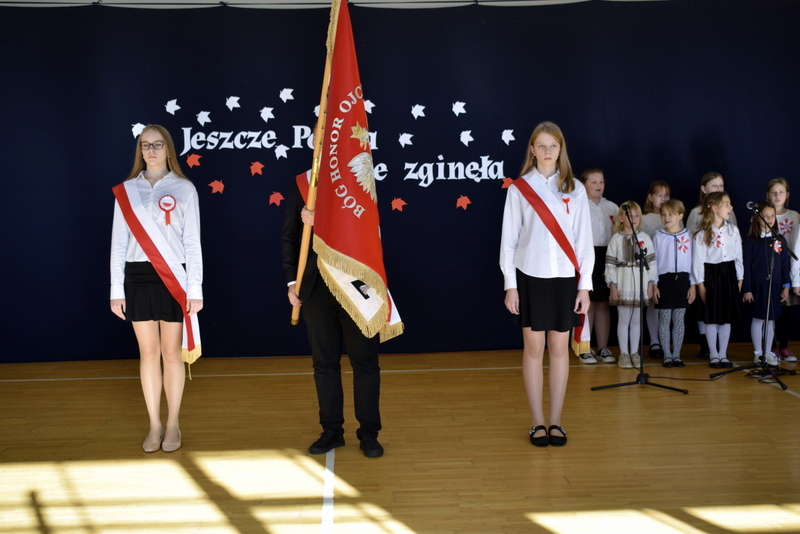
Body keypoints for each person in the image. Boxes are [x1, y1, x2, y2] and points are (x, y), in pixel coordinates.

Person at [110, 124, 203, 453]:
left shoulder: (185, 189)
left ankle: (173, 423)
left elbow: (192, 243)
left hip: (173, 279)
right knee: (148, 354)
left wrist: (195, 288)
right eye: (145, 145)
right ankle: (154, 424)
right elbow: (118, 244)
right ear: (140, 150)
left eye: (157, 144)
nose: (151, 150)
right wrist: (116, 289)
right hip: (137, 278)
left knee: (171, 354)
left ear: (168, 149)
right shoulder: (126, 191)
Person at [500, 121, 593, 448]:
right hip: (530, 277)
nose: (547, 151)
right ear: (532, 149)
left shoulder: (575, 189)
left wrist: (585, 286)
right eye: (541, 145)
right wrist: (511, 285)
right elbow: (509, 242)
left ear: (560, 149)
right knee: (533, 349)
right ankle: (537, 422)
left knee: (559, 349)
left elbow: (584, 242)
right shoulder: (519, 189)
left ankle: (556, 421)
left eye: (553, 145)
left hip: (565, 279)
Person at [282, 172, 384, 458]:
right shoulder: (303, 183)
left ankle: (369, 433)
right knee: (324, 364)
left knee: (365, 363)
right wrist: (293, 282)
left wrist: (323, 223)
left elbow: (367, 228)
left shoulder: (360, 177)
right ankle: (332, 430)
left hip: (358, 286)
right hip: (316, 288)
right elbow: (290, 237)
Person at [686, 172, 738, 359]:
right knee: (707, 308)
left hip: (725, 270)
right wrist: (696, 281)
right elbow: (691, 245)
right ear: (704, 189)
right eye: (714, 185)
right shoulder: (696, 213)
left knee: (723, 312)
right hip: (706, 269)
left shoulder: (729, 216)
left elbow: (734, 244)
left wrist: (738, 275)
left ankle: (721, 350)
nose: (718, 189)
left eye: (721, 185)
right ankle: (707, 345)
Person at [605, 201, 656, 369]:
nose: (633, 218)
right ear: (621, 218)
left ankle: (635, 352)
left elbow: (652, 262)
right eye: (629, 215)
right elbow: (610, 264)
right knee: (624, 319)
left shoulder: (644, 238)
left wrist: (651, 283)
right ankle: (624, 354)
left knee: (636, 320)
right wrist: (612, 285)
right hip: (623, 281)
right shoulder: (616, 239)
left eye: (636, 215)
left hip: (640, 281)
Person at [577, 168, 617, 364]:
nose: (598, 185)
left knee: (602, 303)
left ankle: (603, 348)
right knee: (587, 303)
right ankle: (584, 348)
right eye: (593, 182)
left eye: (601, 182)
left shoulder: (612, 207)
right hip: (585, 256)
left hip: (606, 256)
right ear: (583, 185)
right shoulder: (578, 205)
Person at [742, 202, 790, 366]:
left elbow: (784, 264)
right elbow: (746, 266)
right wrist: (747, 289)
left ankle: (768, 352)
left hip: (775, 285)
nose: (769, 219)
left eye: (772, 216)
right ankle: (758, 353)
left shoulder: (779, 239)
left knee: (771, 320)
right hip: (758, 285)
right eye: (765, 216)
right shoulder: (751, 241)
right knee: (758, 319)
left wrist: (786, 285)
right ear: (757, 218)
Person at [652, 199, 696, 367]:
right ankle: (667, 355)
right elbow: (654, 262)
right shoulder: (658, 236)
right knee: (664, 319)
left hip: (683, 280)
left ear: (680, 216)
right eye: (663, 214)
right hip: (664, 280)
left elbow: (693, 261)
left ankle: (676, 355)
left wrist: (692, 284)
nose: (667, 218)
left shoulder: (688, 236)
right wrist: (654, 283)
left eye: (671, 214)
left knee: (679, 319)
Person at [765, 178, 799, 362]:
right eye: (773, 192)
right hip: (770, 268)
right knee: (771, 310)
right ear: (768, 195)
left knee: (788, 312)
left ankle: (784, 347)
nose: (777, 196)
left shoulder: (794, 216)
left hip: (790, 267)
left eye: (781, 192)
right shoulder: (764, 215)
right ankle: (770, 348)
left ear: (787, 195)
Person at [641, 180, 672, 360]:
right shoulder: (644, 218)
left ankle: (666, 340)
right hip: (651, 266)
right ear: (651, 197)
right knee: (653, 303)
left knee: (666, 305)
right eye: (659, 195)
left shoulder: (674, 217)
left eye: (666, 195)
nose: (663, 198)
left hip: (669, 267)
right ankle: (654, 341)